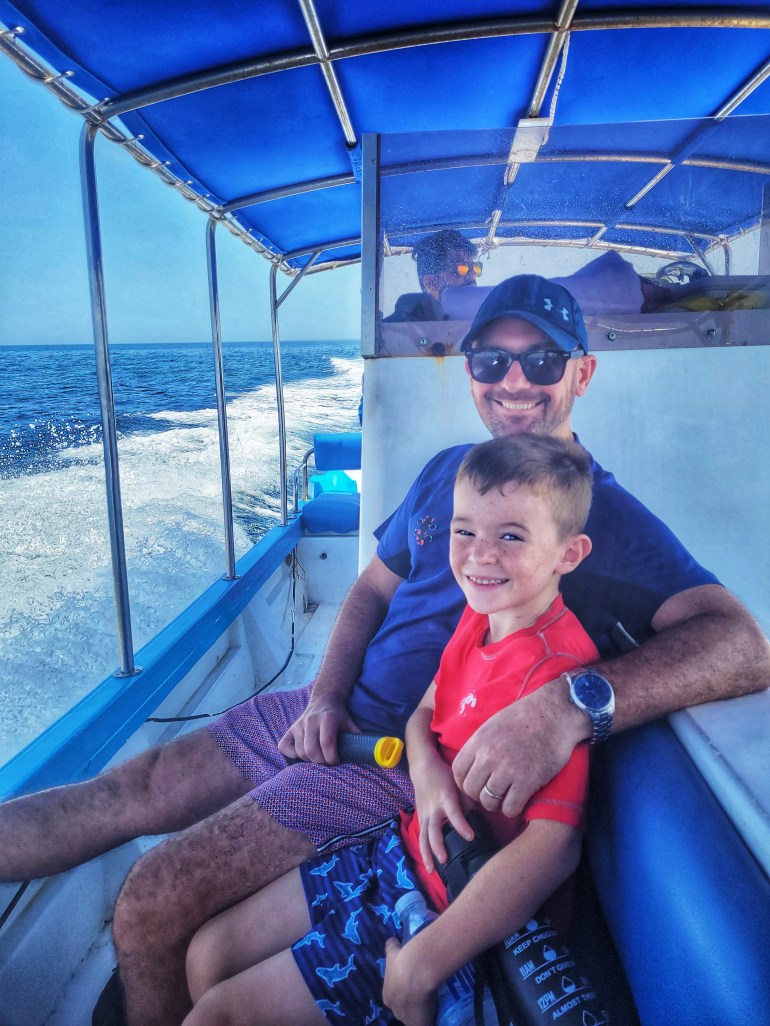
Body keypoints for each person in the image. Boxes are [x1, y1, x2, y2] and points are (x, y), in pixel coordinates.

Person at [1, 275, 767, 1026]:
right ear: (469, 374)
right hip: (327, 711)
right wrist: (327, 695)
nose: (513, 380)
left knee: (151, 900)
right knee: (133, 789)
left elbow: (739, 642)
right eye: (490, 360)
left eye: (541, 359)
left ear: (583, 371)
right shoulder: (451, 475)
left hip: (400, 767)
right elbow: (368, 591)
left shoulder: (604, 516)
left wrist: (568, 707)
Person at [182, 433, 598, 1026]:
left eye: (511, 536)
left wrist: (429, 958)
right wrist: (426, 772)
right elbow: (423, 712)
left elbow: (555, 850)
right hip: (398, 856)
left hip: (453, 915)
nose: (479, 555)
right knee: (208, 953)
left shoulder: (555, 674)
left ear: (569, 553)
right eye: (463, 532)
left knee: (216, 1014)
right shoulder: (479, 618)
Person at [382, 228, 481, 322]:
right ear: (431, 283)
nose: (472, 274)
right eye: (462, 268)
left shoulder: (482, 322)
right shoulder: (394, 331)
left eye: (475, 267)